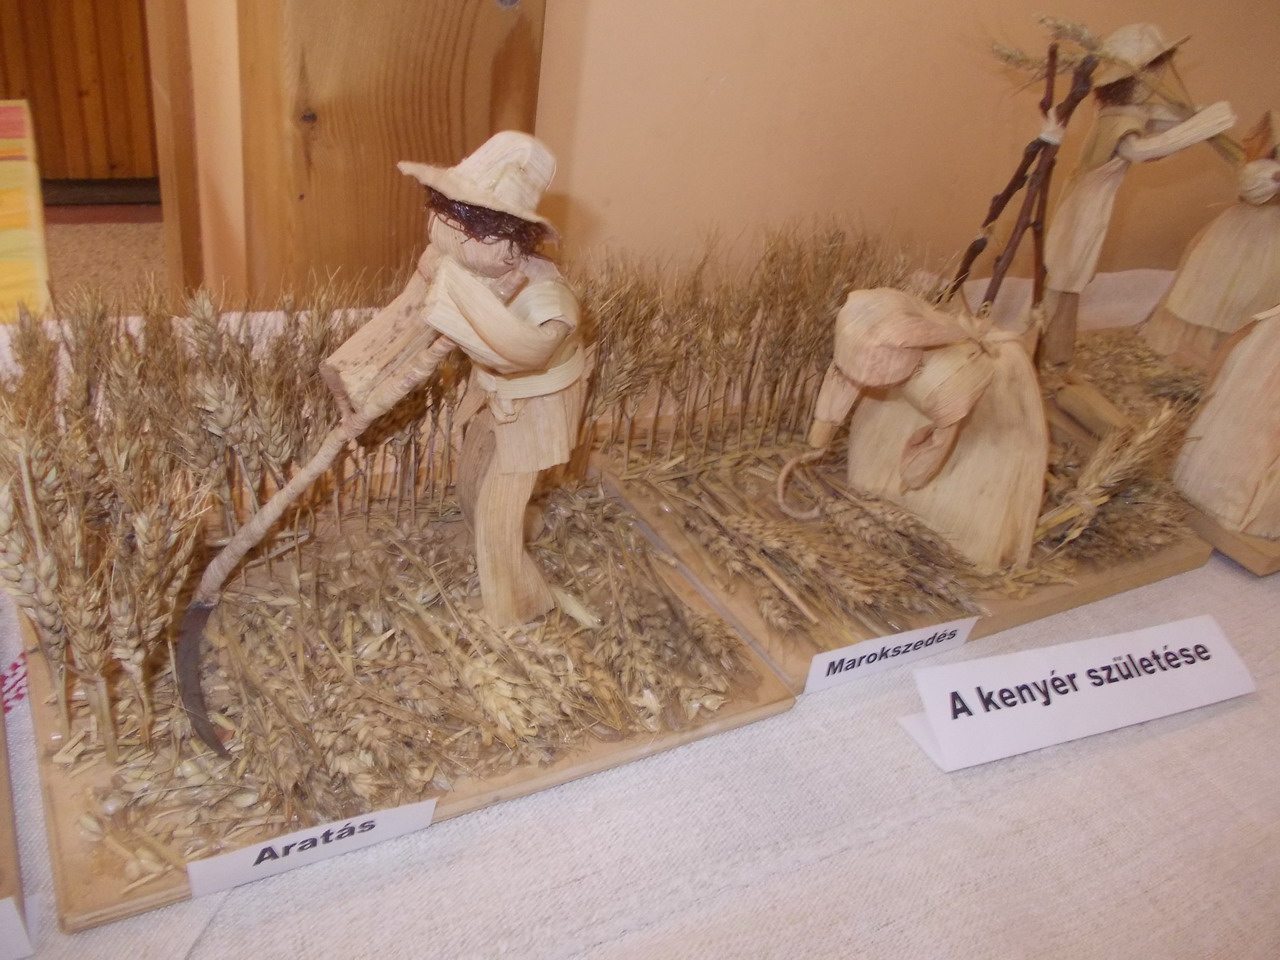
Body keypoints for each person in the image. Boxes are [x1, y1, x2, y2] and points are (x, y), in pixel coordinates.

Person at [324, 131, 586, 626]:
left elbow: (528, 353)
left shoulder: (547, 296)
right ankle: (503, 539)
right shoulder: (455, 263)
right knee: (471, 475)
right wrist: (356, 380)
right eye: (446, 213)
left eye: (469, 223)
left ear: (513, 239)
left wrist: (461, 313)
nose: (448, 231)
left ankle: (520, 604)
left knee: (498, 505)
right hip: (491, 391)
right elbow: (405, 321)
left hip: (535, 406)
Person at [1039, 23, 1235, 367]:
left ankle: (1057, 351)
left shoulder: (1122, 112)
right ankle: (1052, 352)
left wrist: (1195, 117)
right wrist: (1201, 127)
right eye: (1154, 71)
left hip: (1090, 203)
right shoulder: (1116, 120)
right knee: (1066, 276)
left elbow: (1156, 119)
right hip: (1085, 206)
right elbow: (1140, 151)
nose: (1159, 78)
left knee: (1069, 278)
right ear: (1136, 77)